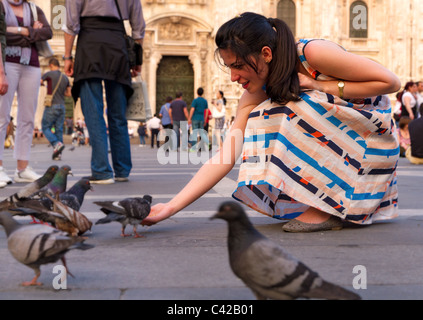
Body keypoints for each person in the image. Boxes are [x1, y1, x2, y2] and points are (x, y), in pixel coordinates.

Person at [142, 12, 401, 233]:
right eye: (228, 67)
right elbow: (225, 155)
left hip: (372, 142)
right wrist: (171, 206)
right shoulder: (256, 91)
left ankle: (326, 207)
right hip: (345, 148)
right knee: (263, 113)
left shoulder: (311, 53)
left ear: (266, 53)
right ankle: (319, 199)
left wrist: (319, 85)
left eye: (239, 65)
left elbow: (389, 82)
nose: (233, 77)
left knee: (286, 108)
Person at [63, 0, 145, 184]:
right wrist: (137, 59)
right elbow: (138, 27)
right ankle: (122, 169)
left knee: (93, 112)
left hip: (89, 45)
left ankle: (101, 171)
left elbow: (71, 24)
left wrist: (67, 56)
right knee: (118, 114)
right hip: (117, 46)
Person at [0, 0, 52, 184]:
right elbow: (1, 35)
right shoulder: (1, 5)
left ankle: (22, 168)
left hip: (32, 64)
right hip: (7, 63)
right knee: (2, 117)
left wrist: (14, 31)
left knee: (27, 118)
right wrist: (30, 31)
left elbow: (48, 32)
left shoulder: (33, 8)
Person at [40, 57, 71, 161]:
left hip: (52, 105)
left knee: (45, 127)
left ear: (51, 65)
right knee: (59, 129)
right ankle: (58, 155)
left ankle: (56, 143)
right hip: (62, 106)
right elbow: (68, 93)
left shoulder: (49, 74)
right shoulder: (65, 78)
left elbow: (40, 81)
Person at [188, 87, 208, 151]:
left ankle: (194, 148)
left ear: (197, 93)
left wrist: (189, 118)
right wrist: (205, 119)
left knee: (194, 133)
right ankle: (208, 142)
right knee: (202, 132)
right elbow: (207, 111)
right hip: (201, 118)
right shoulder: (205, 101)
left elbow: (192, 109)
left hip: (195, 118)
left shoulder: (195, 100)